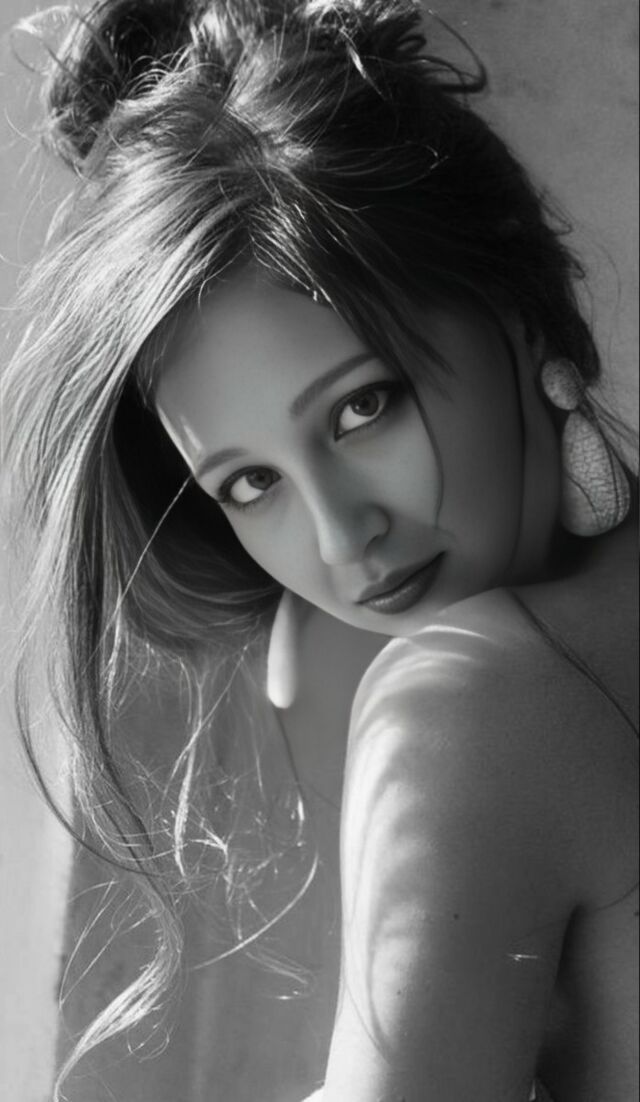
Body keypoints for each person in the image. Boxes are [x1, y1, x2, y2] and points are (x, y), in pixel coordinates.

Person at [2, 1, 637, 1099]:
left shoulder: (471, 699)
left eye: (361, 409)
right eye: (250, 484)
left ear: (518, 308)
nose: (342, 537)